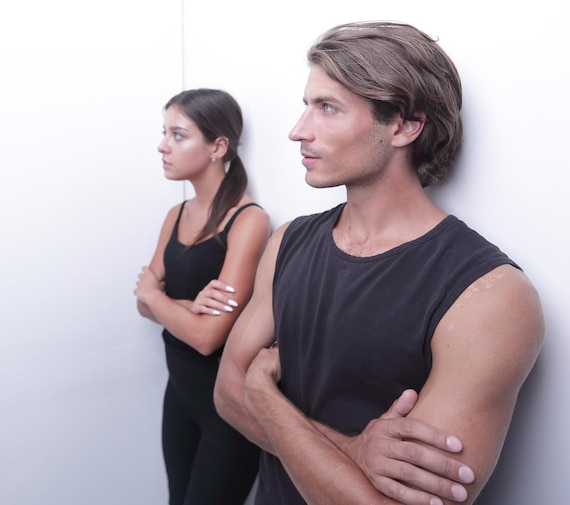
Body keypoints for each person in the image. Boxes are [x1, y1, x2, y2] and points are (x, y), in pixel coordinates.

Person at [213, 21, 544, 505]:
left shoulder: (490, 295)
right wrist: (351, 448)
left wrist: (264, 395)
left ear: (405, 124)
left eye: (327, 108)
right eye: (307, 105)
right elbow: (226, 394)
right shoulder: (288, 242)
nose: (297, 131)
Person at [135, 88, 270, 505]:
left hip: (225, 411)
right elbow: (140, 304)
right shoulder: (175, 215)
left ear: (218, 146)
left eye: (178, 135)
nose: (163, 146)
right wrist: (186, 306)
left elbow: (207, 337)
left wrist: (160, 299)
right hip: (178, 396)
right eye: (165, 133)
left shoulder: (249, 220)